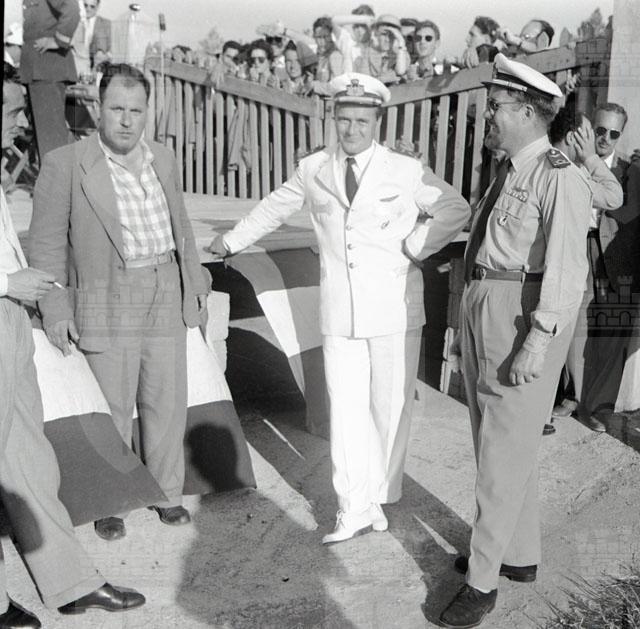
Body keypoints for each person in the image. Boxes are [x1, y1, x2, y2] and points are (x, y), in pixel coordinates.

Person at [207, 72, 470, 545]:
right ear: (333, 118)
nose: (351, 130)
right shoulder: (314, 169)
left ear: (377, 122)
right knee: (345, 410)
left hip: (393, 308)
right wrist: (230, 241)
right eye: (344, 120)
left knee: (389, 408)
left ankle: (378, 497)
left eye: (361, 122)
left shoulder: (404, 170)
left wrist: (414, 246)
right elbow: (275, 207)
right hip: (340, 312)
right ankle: (352, 506)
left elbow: (455, 208)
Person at [438, 54, 592, 628]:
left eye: (496, 107)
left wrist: (538, 340)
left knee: (502, 452)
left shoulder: (558, 175)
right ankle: (518, 554)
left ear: (527, 112)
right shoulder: (507, 171)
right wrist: (463, 325)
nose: (489, 117)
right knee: (497, 441)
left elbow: (567, 270)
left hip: (521, 312)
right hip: (487, 301)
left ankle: (481, 583)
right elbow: (480, 247)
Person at [28, 63, 210, 542]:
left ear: (148, 111)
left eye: (136, 110)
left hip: (165, 284)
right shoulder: (67, 164)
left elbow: (182, 227)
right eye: (116, 109)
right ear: (99, 108)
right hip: (108, 290)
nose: (127, 121)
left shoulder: (163, 158)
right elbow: (46, 245)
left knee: (166, 396)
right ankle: (113, 499)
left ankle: (167, 492)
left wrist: (195, 284)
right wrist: (55, 307)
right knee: (113, 402)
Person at [1, 74, 145, 628]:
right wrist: (6, 282)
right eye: (12, 110)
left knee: (28, 460)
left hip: (11, 321)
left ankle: (71, 582)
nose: (21, 121)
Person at [546, 104, 623, 435]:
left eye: (613, 133)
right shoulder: (568, 163)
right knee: (572, 326)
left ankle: (596, 407)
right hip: (576, 249)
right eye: (599, 130)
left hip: (612, 257)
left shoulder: (629, 171)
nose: (604, 138)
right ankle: (574, 397)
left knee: (609, 333)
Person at [20, 0, 80, 161]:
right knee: (46, 141)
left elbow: (71, 8)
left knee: (51, 143)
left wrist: (58, 41)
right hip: (39, 70)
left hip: (46, 70)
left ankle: (56, 178)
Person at [354, 14, 409, 84]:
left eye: (392, 35)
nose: (387, 40)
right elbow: (364, 80)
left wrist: (401, 42)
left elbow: (400, 72)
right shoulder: (368, 53)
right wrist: (389, 77)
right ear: (376, 34)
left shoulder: (401, 54)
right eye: (384, 34)